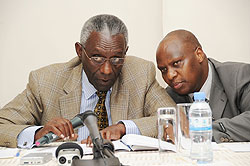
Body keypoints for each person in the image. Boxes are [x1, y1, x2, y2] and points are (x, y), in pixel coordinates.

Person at [0, 14, 175, 148]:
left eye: (116, 58)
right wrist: (37, 133)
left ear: (125, 52)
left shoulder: (141, 74)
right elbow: (2, 124)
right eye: (97, 57)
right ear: (79, 51)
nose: (107, 70)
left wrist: (124, 128)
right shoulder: (45, 81)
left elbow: (175, 119)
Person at [156, 29, 250, 143]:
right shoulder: (171, 96)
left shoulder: (239, 76)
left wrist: (200, 131)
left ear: (199, 55)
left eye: (176, 64)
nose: (170, 75)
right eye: (164, 70)